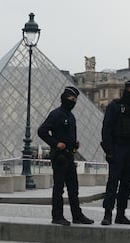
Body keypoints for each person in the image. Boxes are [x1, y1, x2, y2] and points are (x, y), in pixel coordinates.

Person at [38, 86, 94, 226]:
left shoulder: (71, 116)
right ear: (64, 98)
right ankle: (57, 216)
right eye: (71, 98)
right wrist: (56, 143)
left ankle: (77, 215)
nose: (73, 101)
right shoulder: (56, 114)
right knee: (59, 188)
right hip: (59, 156)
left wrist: (74, 144)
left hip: (69, 155)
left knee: (73, 187)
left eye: (75, 99)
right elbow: (42, 131)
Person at [100, 79, 130, 226]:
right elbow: (106, 130)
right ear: (125, 90)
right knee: (113, 183)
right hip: (117, 148)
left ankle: (121, 214)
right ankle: (107, 214)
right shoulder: (114, 107)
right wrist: (109, 151)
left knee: (126, 185)